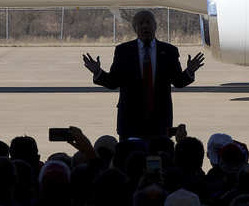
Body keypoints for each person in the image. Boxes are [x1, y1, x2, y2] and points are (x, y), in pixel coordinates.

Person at [83, 9, 204, 140]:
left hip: (160, 123)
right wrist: (98, 72)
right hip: (130, 123)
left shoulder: (169, 51)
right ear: (135, 28)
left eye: (148, 22)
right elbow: (113, 82)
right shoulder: (123, 51)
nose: (145, 26)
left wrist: (190, 71)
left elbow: (178, 82)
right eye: (141, 23)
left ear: (155, 26)